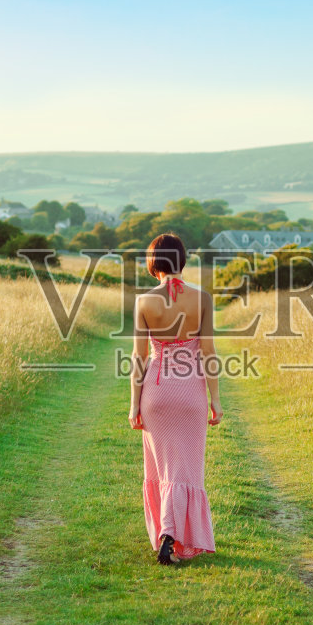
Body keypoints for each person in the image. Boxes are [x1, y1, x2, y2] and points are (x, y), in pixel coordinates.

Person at [128, 233, 221, 563]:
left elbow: (139, 358)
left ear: (153, 264)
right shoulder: (202, 299)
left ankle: (166, 533)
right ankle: (175, 535)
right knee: (187, 469)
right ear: (183, 260)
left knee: (162, 468)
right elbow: (208, 352)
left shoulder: (145, 301)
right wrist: (216, 400)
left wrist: (133, 405)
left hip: (156, 394)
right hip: (190, 392)